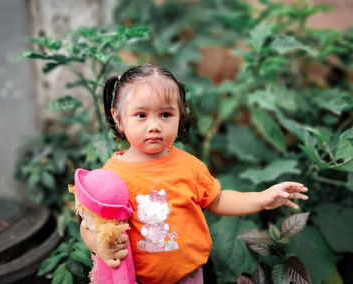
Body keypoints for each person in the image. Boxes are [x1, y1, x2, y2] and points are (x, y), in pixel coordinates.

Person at [80, 64, 308, 284]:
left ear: (180, 116)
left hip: (188, 277)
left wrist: (261, 199)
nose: (154, 126)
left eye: (165, 115)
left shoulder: (188, 166)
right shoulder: (111, 176)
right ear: (119, 119)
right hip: (138, 279)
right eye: (141, 115)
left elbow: (216, 199)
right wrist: (98, 245)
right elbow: (88, 224)